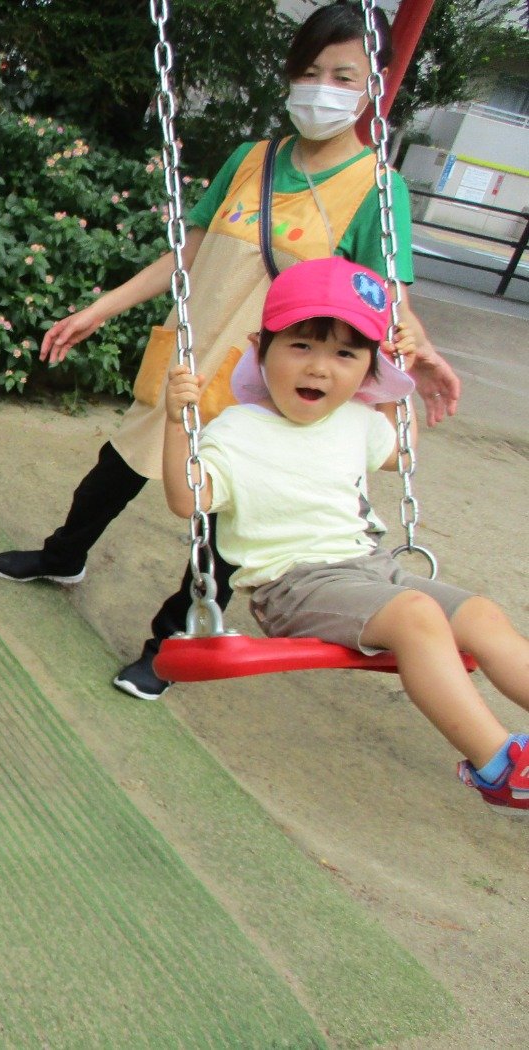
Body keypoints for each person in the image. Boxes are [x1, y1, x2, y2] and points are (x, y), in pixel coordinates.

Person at [0, 0, 461, 701]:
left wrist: (420, 350)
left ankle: (170, 646)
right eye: (310, 72)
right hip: (192, 360)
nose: (322, 89)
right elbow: (190, 252)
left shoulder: (376, 188)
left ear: (374, 84)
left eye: (343, 76)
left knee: (217, 528)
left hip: (269, 388)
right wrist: (99, 309)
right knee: (114, 472)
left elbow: (386, 298)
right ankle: (64, 555)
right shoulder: (254, 160)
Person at [161, 256, 528, 813]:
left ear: (368, 370)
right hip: (297, 587)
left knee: (481, 614)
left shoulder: (355, 419)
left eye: (346, 355)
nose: (320, 369)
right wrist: (175, 424)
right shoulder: (235, 431)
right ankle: (499, 766)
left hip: (373, 571)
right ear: (261, 349)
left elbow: (401, 453)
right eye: (300, 346)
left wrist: (400, 384)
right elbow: (188, 499)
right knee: (417, 615)